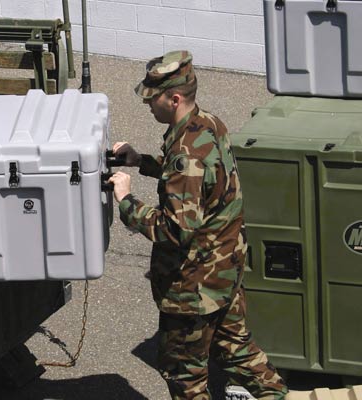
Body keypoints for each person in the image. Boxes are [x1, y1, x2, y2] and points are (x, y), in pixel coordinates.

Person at [108, 50, 288, 400]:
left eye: (152, 99)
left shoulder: (185, 154)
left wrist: (126, 200)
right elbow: (198, 181)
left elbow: (174, 229)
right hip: (225, 270)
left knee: (185, 377)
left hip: (193, 289)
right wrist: (141, 161)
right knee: (237, 352)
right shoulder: (207, 124)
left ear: (174, 99)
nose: (148, 105)